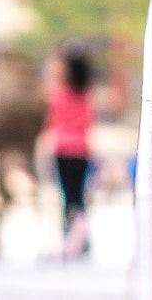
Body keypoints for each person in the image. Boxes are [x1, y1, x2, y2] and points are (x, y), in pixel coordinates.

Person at [47, 39, 96, 259]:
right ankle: (82, 239)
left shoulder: (58, 94)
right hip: (83, 149)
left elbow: (52, 121)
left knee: (68, 197)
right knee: (79, 195)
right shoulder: (87, 95)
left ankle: (71, 238)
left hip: (63, 150)